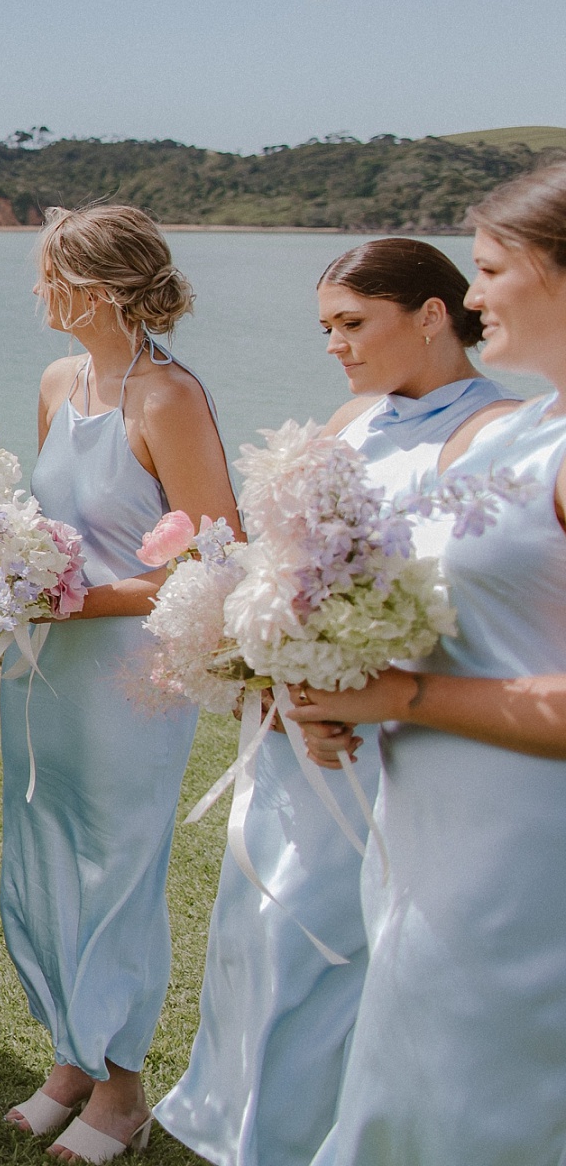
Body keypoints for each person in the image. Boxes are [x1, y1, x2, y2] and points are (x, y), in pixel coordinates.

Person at [156, 238, 510, 1166]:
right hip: (294, 720)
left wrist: (352, 689)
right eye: (325, 328)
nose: (334, 346)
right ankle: (239, 1130)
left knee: (332, 949)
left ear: (433, 314)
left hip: (386, 739)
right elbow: (292, 560)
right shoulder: (354, 418)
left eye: (353, 324)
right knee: (256, 931)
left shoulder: (493, 431)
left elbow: (458, 596)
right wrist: (255, 652)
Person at [289, 160, 566, 1165]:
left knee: (492, 1109)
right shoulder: (517, 431)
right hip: (426, 825)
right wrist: (332, 682)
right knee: (406, 1097)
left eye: (493, 267)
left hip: (530, 847)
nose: (477, 294)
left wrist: (404, 692)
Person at [2, 205, 239, 1164]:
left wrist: (80, 598)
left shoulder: (169, 399)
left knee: (119, 873)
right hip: (44, 670)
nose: (34, 292)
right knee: (45, 852)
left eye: (47, 274)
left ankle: (124, 1089)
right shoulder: (60, 382)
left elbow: (217, 560)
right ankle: (71, 1057)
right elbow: (46, 523)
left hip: (131, 676)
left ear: (95, 290)